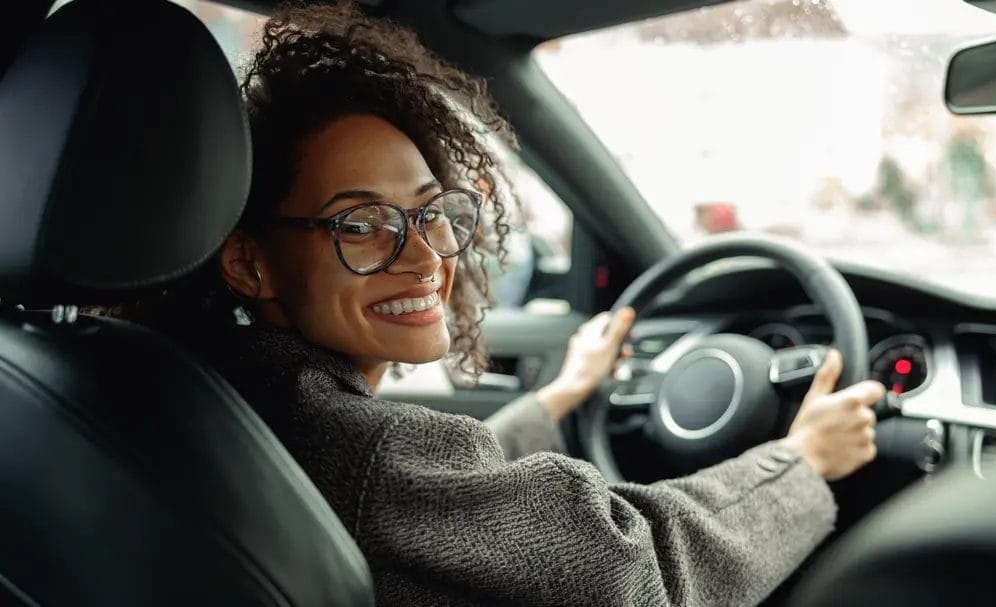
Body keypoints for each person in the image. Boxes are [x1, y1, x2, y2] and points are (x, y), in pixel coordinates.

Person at [150, 2, 885, 605]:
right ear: (250, 261)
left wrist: (561, 396)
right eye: (363, 225)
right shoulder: (368, 451)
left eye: (433, 211)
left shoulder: (197, 389)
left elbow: (444, 503)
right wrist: (801, 461)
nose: (426, 255)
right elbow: (634, 571)